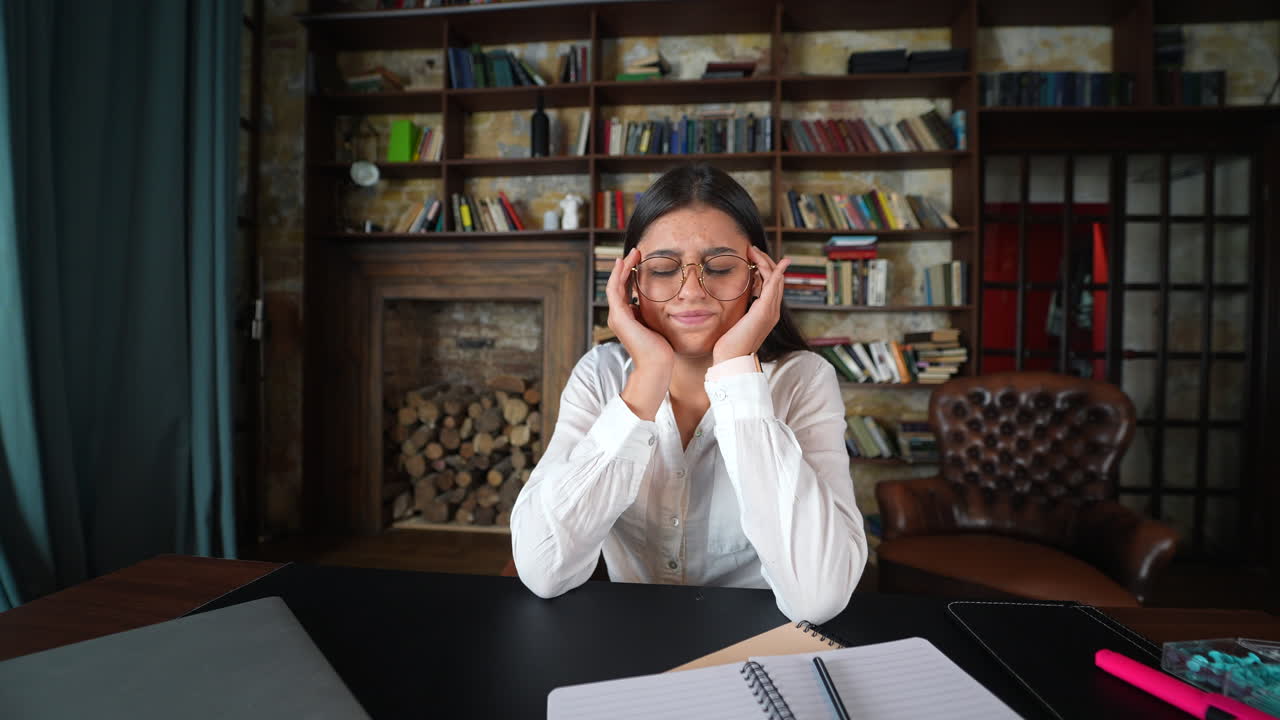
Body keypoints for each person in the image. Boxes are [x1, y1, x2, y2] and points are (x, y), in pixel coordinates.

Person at [510, 163, 866, 624]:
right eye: (663, 269)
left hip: (758, 642)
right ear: (632, 283)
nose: (692, 291)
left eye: (719, 267)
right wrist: (647, 377)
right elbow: (542, 570)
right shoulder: (599, 375)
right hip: (631, 640)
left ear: (758, 280)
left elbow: (819, 597)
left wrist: (737, 369)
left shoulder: (805, 380)